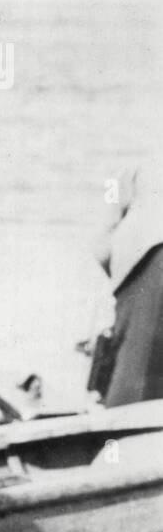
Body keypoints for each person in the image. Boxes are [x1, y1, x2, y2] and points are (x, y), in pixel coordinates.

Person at [93, 152, 163, 407]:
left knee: (132, 389)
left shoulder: (130, 167)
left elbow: (100, 245)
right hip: (149, 257)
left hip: (148, 261)